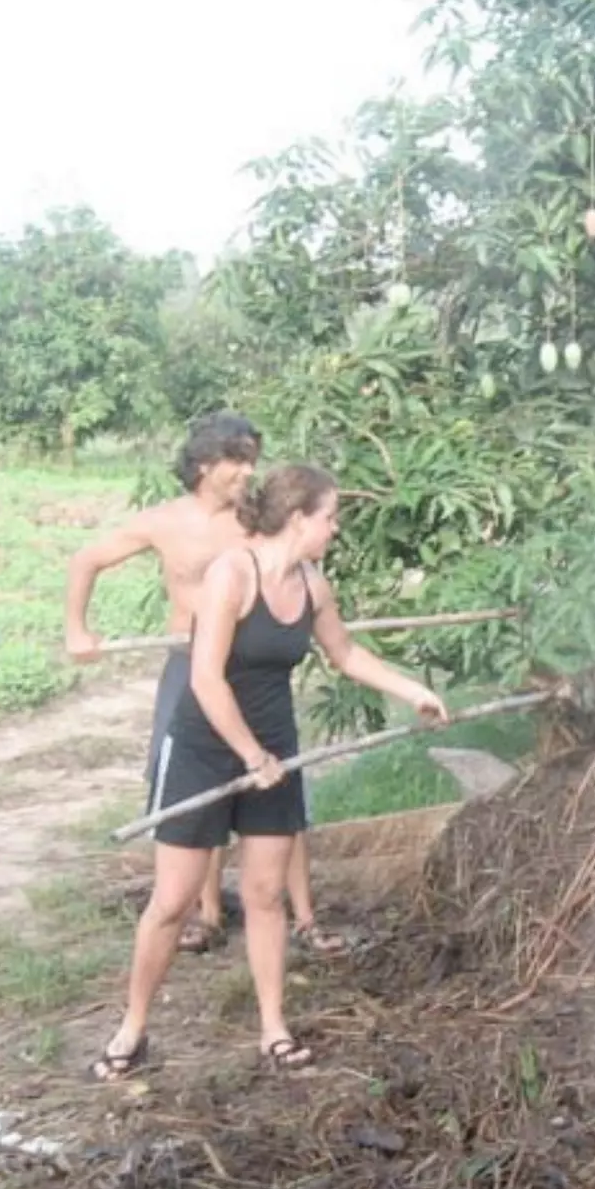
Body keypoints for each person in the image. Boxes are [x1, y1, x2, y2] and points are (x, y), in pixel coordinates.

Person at [93, 463, 448, 1080]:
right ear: (298, 518)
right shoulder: (231, 573)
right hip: (206, 744)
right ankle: (133, 1027)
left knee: (265, 893)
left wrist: (411, 690)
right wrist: (247, 754)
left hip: (275, 749)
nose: (334, 529)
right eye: (329, 517)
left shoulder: (311, 584)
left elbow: (346, 653)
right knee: (174, 900)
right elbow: (204, 677)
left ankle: (273, 1028)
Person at [63, 412, 327, 956]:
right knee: (193, 793)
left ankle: (304, 916)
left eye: (253, 460)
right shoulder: (163, 521)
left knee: (275, 780)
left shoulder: (253, 521)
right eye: (237, 460)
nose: (248, 472)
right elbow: (86, 560)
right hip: (190, 666)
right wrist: (77, 630)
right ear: (205, 464)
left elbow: (292, 569)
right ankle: (205, 913)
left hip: (250, 671)